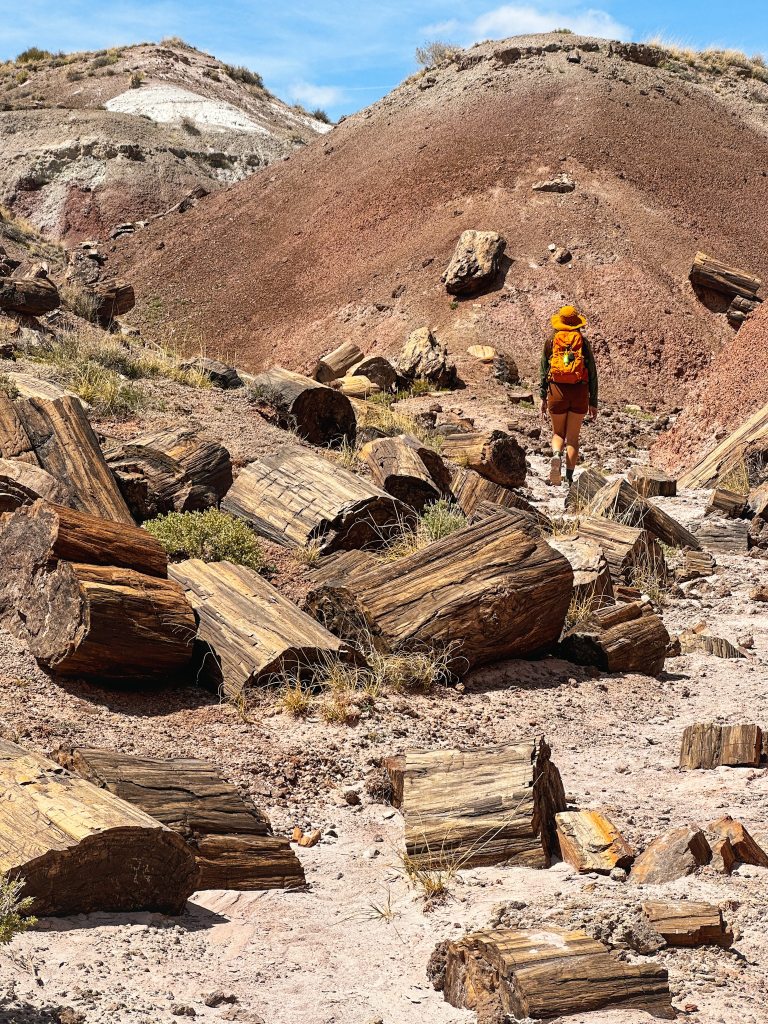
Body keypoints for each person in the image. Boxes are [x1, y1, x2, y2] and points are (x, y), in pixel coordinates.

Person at [539, 305, 598, 486]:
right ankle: (570, 478)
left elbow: (543, 371)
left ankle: (556, 456)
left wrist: (542, 396)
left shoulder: (551, 341)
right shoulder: (583, 343)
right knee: (572, 438)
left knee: (558, 433)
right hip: (579, 392)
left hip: (556, 391)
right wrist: (593, 401)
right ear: (576, 324)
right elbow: (593, 373)